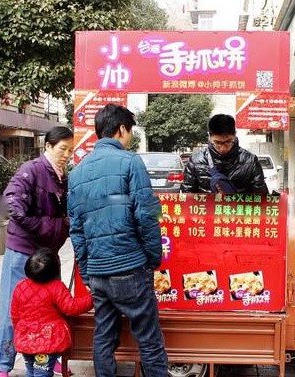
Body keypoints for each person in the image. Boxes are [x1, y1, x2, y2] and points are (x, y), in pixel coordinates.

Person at [68, 104, 168, 377]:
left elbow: (76, 229)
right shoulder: (130, 162)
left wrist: (87, 272)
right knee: (149, 339)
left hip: (99, 272)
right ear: (121, 129)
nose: (130, 137)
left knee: (103, 337)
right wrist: (153, 258)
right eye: (130, 131)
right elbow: (146, 215)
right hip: (130, 268)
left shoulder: (76, 173)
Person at [0, 126, 74, 377]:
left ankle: (47, 359)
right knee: (12, 309)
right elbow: (12, 204)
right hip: (23, 253)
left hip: (48, 254)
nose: (66, 155)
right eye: (62, 149)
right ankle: (3, 366)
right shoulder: (31, 170)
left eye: (70, 150)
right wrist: (45, 228)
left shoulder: (61, 175)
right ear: (48, 146)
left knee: (49, 310)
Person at [11, 248, 93, 377]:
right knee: (41, 374)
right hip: (46, 343)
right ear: (55, 270)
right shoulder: (56, 287)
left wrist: (19, 332)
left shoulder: (20, 286)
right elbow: (71, 307)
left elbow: (15, 314)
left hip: (26, 339)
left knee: (31, 371)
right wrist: (92, 297)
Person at [181, 114, 268, 193]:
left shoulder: (250, 161)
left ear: (234, 135)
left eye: (228, 142)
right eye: (217, 143)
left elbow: (261, 198)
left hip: (238, 210)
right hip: (206, 210)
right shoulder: (196, 161)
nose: (222, 148)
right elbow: (187, 196)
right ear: (209, 136)